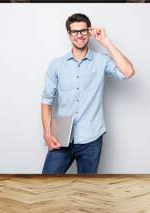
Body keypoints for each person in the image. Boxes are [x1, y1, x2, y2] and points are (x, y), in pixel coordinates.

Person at [41, 13, 135, 174]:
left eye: (83, 31)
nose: (79, 35)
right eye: (75, 32)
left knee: (87, 190)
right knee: (46, 185)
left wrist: (105, 41)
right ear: (69, 34)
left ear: (89, 32)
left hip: (92, 137)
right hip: (61, 137)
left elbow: (128, 72)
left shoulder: (102, 60)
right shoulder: (56, 65)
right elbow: (46, 101)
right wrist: (47, 134)